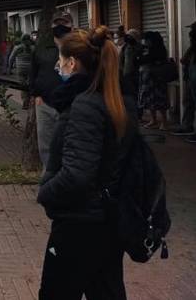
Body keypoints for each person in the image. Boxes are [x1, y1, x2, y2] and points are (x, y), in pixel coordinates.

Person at [37, 26, 136, 300]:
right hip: (109, 221)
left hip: (79, 225)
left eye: (61, 59)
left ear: (73, 62)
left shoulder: (85, 106)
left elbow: (77, 175)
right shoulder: (117, 100)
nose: (59, 66)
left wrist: (45, 192)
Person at [31, 11, 74, 169]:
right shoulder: (42, 47)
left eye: (64, 23)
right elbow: (33, 72)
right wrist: (36, 94)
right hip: (45, 104)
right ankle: (48, 179)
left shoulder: (79, 48)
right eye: (57, 24)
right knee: (46, 147)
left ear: (71, 26)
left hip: (70, 106)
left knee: (68, 146)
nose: (60, 27)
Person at [138, 31, 169, 130]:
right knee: (149, 100)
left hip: (157, 78)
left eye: (147, 39)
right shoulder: (146, 49)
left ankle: (164, 122)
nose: (145, 41)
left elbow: (147, 60)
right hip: (147, 78)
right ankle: (153, 120)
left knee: (160, 100)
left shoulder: (159, 50)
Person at [174, 22, 196, 137]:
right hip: (189, 78)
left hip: (193, 78)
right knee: (188, 102)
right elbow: (184, 60)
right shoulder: (192, 48)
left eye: (192, 32)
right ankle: (187, 125)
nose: (190, 35)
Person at [10, 34, 34, 108]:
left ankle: (25, 101)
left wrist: (9, 67)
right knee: (30, 84)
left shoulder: (17, 48)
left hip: (20, 69)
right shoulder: (33, 48)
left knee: (22, 85)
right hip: (30, 68)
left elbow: (11, 58)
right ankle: (30, 100)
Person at [119, 29, 142, 97]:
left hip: (137, 75)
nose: (129, 38)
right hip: (126, 76)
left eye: (131, 37)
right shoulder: (124, 47)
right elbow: (120, 60)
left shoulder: (139, 47)